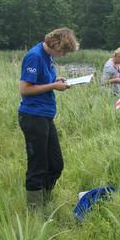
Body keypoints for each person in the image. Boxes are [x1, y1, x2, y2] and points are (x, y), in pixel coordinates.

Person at [18, 27, 80, 212]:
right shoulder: (35, 56)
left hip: (45, 116)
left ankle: (45, 200)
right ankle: (35, 211)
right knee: (38, 165)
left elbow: (41, 80)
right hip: (33, 116)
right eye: (63, 51)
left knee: (56, 164)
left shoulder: (48, 56)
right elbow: (25, 89)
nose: (63, 55)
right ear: (55, 44)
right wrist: (53, 85)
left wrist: (56, 79)